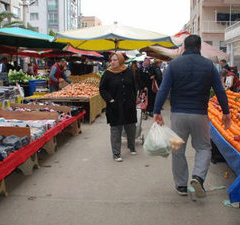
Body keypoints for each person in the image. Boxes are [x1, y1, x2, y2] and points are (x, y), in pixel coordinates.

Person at [153, 35, 231, 198]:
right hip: (200, 114)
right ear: (199, 48)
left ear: (185, 47)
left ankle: (181, 185)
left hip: (178, 115)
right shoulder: (208, 65)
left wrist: (157, 110)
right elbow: (220, 90)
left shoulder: (174, 65)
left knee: (177, 149)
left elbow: (164, 89)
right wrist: (226, 112)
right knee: (203, 148)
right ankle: (198, 177)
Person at [99, 52, 137, 162]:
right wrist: (110, 100)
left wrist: (134, 99)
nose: (112, 62)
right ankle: (116, 153)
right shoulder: (107, 74)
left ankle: (132, 146)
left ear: (120, 61)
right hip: (115, 106)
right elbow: (102, 89)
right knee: (116, 130)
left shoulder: (128, 72)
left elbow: (134, 86)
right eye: (111, 60)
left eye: (115, 60)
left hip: (129, 105)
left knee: (131, 128)